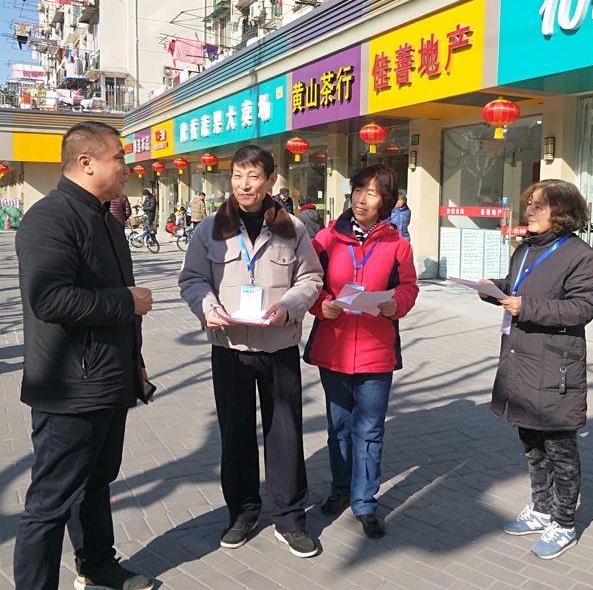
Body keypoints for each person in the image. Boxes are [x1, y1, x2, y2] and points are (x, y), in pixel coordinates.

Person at [13, 121, 155, 590]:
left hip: (110, 379)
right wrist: (126, 302)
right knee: (50, 503)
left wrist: (134, 362)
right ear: (86, 162)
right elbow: (49, 299)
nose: (127, 167)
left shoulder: (106, 220)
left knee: (96, 482)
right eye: (119, 158)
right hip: (69, 388)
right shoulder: (49, 219)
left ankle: (96, 563)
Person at [178, 145, 323, 558]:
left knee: (285, 432)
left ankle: (289, 518)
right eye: (238, 176)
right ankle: (242, 513)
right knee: (235, 432)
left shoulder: (293, 228)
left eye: (254, 176)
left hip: (279, 345)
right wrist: (208, 308)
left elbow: (311, 278)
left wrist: (289, 307)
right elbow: (192, 279)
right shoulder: (210, 228)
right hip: (230, 347)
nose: (245, 185)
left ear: (271, 180)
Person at [478, 179, 593, 560]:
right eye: (529, 204)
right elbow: (519, 288)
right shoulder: (526, 249)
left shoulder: (579, 255)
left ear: (560, 212)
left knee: (560, 449)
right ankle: (541, 508)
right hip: (522, 361)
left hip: (556, 367)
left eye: (538, 206)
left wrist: (526, 308)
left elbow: (583, 307)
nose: (529, 211)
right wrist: (493, 289)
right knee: (532, 444)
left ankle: (563, 522)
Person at [305, 164, 419, 539]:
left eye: (371, 193)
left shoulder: (397, 244)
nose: (361, 199)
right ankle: (340, 489)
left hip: (376, 351)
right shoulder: (326, 238)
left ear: (386, 201)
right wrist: (320, 303)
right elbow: (308, 282)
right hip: (333, 348)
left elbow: (409, 287)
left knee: (369, 430)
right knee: (338, 427)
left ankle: (365, 502)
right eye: (357, 191)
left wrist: (396, 304)